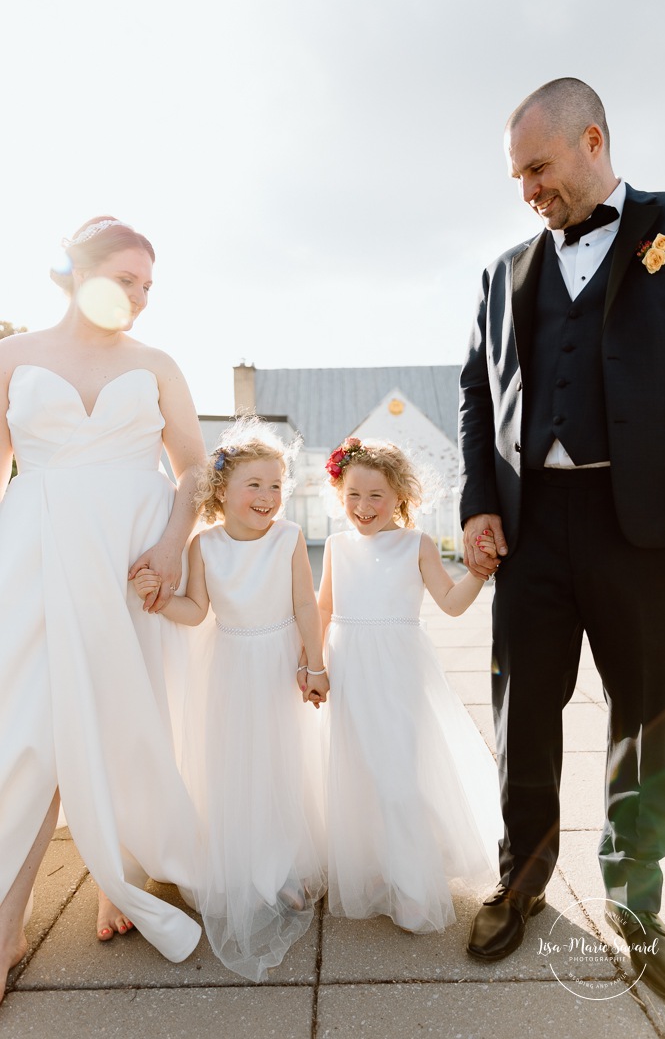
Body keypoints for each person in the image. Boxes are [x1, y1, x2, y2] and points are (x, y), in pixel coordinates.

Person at [459, 78, 665, 1000]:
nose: (526, 190)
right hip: (530, 530)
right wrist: (479, 499)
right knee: (523, 717)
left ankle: (637, 908)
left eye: (538, 168)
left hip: (643, 529)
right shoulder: (502, 270)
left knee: (641, 724)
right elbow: (478, 391)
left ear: (591, 139)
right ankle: (519, 884)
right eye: (516, 174)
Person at [0, 216, 207, 1004]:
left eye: (148, 286)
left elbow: (193, 470)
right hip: (35, 554)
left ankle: (117, 875)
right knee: (31, 728)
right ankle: (7, 928)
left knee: (122, 714)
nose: (140, 298)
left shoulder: (156, 365)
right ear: (74, 274)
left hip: (131, 557)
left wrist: (169, 545)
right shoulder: (12, 357)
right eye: (125, 280)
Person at [134, 418, 328, 981]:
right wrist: (157, 599)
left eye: (276, 486)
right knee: (236, 766)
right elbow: (196, 611)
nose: (267, 498)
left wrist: (314, 663)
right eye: (255, 485)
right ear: (223, 490)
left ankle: (286, 864)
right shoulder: (204, 546)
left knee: (282, 762)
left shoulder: (289, 538)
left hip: (278, 665)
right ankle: (248, 864)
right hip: (231, 667)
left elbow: (306, 606)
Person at [316, 436, 501, 934]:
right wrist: (313, 663)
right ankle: (375, 871)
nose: (363, 507)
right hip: (348, 666)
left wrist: (478, 573)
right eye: (353, 495)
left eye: (376, 495)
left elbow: (452, 602)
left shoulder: (414, 544)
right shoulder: (336, 546)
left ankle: (415, 883)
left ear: (399, 495)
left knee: (399, 773)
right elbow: (324, 609)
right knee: (361, 772)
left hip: (397, 670)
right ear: (340, 494)